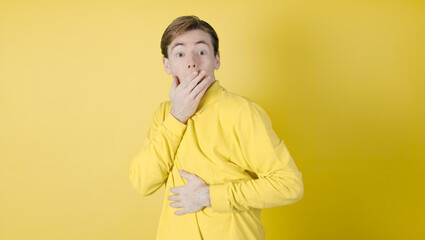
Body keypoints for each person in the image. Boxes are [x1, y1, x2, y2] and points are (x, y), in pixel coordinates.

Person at [129, 15, 304, 240]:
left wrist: (209, 196)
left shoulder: (242, 112)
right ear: (167, 64)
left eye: (201, 52)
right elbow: (143, 183)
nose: (192, 61)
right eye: (180, 54)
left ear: (217, 59)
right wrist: (178, 116)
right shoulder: (165, 114)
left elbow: (288, 185)